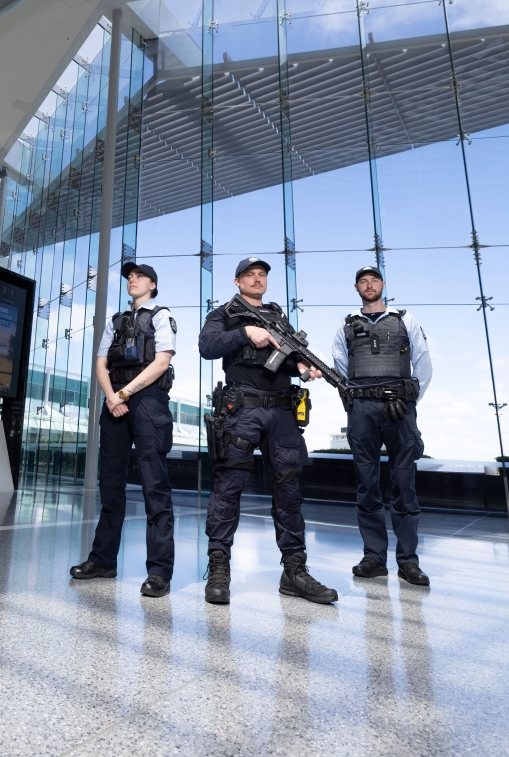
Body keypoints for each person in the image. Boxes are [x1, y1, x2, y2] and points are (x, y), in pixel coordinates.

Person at [198, 257, 338, 606]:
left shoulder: (278, 316)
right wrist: (245, 332)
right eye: (250, 274)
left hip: (282, 412)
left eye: (262, 275)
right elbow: (206, 347)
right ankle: (219, 568)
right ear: (237, 281)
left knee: (289, 492)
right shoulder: (224, 313)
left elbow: (288, 358)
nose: (257, 279)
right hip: (241, 409)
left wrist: (303, 365)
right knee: (228, 487)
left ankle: (294, 571)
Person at [71, 261, 177, 598]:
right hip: (113, 402)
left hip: (147, 401)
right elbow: (100, 363)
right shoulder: (115, 321)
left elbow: (162, 361)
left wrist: (124, 394)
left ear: (153, 285)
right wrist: (110, 397)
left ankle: (159, 572)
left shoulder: (161, 315)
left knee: (153, 486)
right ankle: (103, 560)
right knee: (111, 484)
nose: (132, 280)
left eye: (140, 276)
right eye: (129, 277)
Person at [331, 266, 432, 586]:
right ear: (356, 287)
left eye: (374, 280)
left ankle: (408, 560)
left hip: (399, 408)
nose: (369, 285)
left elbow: (423, 363)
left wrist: (411, 398)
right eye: (363, 281)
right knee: (367, 483)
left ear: (383, 285)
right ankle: (374, 557)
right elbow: (340, 370)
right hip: (362, 409)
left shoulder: (406, 320)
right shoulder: (345, 326)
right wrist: (354, 405)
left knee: (405, 482)